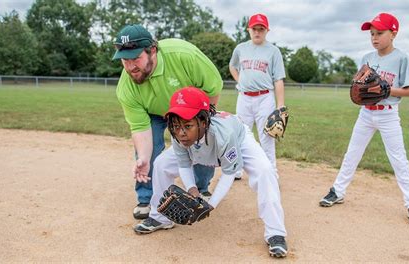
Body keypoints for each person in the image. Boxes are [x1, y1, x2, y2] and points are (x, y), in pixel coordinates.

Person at [133, 87, 289, 258]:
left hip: (238, 140)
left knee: (265, 171)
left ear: (204, 122)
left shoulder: (224, 135)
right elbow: (184, 164)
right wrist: (192, 189)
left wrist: (211, 204)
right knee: (161, 164)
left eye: (187, 125)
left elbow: (229, 173)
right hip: (201, 144)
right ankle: (160, 218)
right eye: (176, 126)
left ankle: (276, 232)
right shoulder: (179, 132)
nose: (181, 132)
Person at [319, 13, 409, 227]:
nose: (375, 38)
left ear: (393, 34)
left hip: (388, 114)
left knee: (398, 159)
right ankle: (337, 191)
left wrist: (385, 89)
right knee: (352, 154)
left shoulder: (401, 58)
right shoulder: (367, 57)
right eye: (372, 34)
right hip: (366, 113)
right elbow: (359, 86)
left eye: (380, 33)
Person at [113, 24, 223, 220]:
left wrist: (203, 121)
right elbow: (140, 127)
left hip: (189, 108)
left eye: (136, 58)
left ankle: (200, 188)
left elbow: (213, 87)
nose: (130, 67)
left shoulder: (184, 55)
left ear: (152, 50)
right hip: (153, 112)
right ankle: (147, 197)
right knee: (147, 153)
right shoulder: (126, 86)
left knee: (201, 142)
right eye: (124, 60)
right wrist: (144, 158)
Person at [229, 13, 286, 178]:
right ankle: (237, 169)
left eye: (261, 29)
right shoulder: (240, 48)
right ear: (249, 30)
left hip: (265, 98)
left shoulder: (273, 51)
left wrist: (280, 105)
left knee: (267, 136)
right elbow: (232, 66)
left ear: (267, 31)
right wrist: (240, 81)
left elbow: (278, 79)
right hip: (244, 97)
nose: (257, 32)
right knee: (240, 133)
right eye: (254, 28)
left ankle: (271, 172)